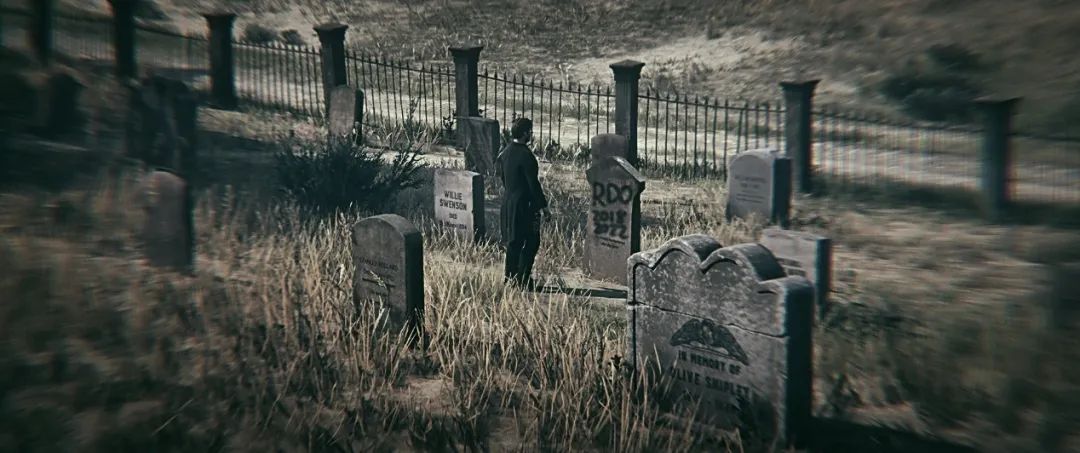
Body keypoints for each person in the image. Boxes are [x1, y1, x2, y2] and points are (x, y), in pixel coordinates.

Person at [497, 117, 550, 290]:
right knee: (532, 242)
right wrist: (544, 207)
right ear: (525, 133)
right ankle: (523, 278)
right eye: (530, 132)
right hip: (525, 206)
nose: (531, 135)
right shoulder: (527, 156)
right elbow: (533, 185)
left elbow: (503, 178)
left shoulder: (505, 153)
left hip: (509, 202)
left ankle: (510, 279)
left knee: (513, 243)